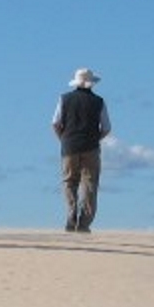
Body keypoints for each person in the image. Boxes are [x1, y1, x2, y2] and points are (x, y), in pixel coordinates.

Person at [51, 68, 112, 234]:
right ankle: (84, 223)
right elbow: (106, 128)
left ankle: (71, 217)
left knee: (69, 182)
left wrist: (63, 139)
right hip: (91, 148)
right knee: (90, 185)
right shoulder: (98, 101)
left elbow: (55, 123)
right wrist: (95, 138)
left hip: (69, 147)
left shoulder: (65, 99)